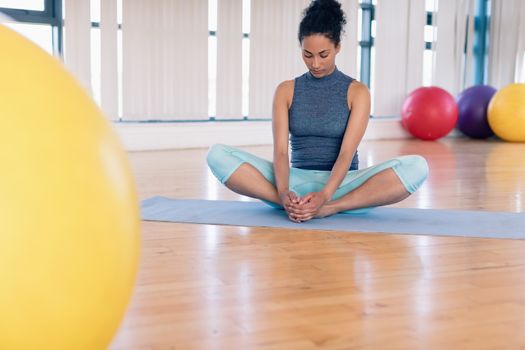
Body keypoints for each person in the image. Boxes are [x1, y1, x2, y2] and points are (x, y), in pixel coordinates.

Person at [207, 0, 428, 223]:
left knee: (417, 167)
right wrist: (284, 192)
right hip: (295, 182)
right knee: (216, 154)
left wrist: (325, 197)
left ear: (337, 47)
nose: (315, 64)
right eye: (307, 54)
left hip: (343, 184)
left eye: (323, 55)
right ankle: (291, 204)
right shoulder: (286, 90)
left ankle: (333, 207)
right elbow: (281, 152)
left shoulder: (357, 92)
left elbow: (345, 154)